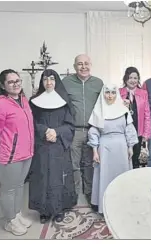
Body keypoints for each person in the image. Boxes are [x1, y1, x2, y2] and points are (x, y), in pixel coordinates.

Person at [0, 69, 34, 236]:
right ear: (3, 85)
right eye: (11, 82)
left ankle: (17, 214)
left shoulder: (23, 100)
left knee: (19, 186)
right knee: (8, 189)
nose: (16, 84)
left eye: (18, 80)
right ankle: (10, 220)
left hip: (26, 153)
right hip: (9, 156)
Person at [28, 69, 77, 224]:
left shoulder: (65, 101)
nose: (48, 83)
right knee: (42, 177)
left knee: (58, 178)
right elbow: (31, 123)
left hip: (59, 146)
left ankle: (58, 209)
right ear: (41, 82)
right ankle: (43, 210)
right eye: (45, 80)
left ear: (56, 81)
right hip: (42, 145)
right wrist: (45, 131)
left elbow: (70, 124)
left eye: (52, 79)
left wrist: (57, 131)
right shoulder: (34, 102)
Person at [87, 83, 139, 214]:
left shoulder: (124, 111)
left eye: (113, 92)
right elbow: (94, 132)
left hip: (121, 148)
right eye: (107, 92)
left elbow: (129, 129)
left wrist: (131, 146)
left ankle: (122, 205)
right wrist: (95, 151)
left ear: (117, 94)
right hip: (104, 149)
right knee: (105, 176)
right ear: (103, 94)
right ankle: (105, 206)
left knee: (121, 175)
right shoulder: (98, 111)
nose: (110, 96)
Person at [62, 54, 103, 205]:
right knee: (74, 164)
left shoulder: (98, 83)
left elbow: (106, 104)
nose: (83, 67)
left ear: (90, 65)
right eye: (80, 64)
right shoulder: (66, 82)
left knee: (90, 163)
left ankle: (89, 193)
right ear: (74, 66)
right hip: (74, 130)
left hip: (93, 130)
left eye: (86, 63)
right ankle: (75, 193)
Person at [120, 67, 151, 168]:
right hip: (122, 132)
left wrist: (146, 133)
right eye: (130, 78)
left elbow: (147, 114)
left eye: (135, 78)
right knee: (124, 158)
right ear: (125, 79)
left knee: (135, 158)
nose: (133, 80)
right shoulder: (119, 92)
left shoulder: (143, 93)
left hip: (138, 131)